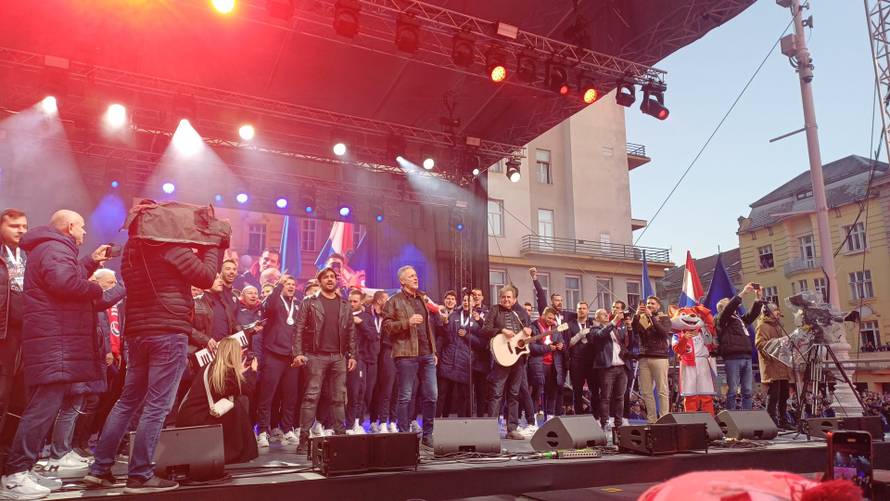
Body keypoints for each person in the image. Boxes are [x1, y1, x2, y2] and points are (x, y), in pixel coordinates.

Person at [85, 216, 224, 494]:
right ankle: (140, 475)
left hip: (137, 334)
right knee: (157, 406)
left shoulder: (132, 251)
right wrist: (212, 243)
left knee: (127, 401)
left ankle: (100, 469)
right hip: (168, 332)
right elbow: (207, 277)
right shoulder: (172, 248)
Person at [2, 210, 116, 500]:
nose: (85, 232)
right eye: (81, 227)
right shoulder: (54, 248)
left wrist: (90, 263)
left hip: (54, 341)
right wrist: (96, 287)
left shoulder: (52, 249)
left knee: (43, 407)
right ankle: (14, 475)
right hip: (54, 342)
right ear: (68, 227)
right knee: (42, 408)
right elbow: (65, 283)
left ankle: (21, 469)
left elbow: (65, 275)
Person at [47, 268, 125, 470]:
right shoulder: (79, 299)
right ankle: (59, 453)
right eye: (109, 283)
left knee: (77, 405)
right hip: (78, 358)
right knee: (69, 408)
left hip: (87, 358)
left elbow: (103, 330)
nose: (111, 287)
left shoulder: (85, 300)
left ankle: (66, 450)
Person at [293, 267, 357, 453]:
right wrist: (298, 353)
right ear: (319, 281)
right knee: (311, 397)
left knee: (338, 398)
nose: (330, 279)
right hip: (315, 356)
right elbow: (298, 328)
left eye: (333, 277)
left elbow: (351, 331)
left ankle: (340, 436)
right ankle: (304, 440)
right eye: (326, 277)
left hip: (338, 357)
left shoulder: (344, 304)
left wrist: (352, 355)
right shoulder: (309, 302)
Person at [177, 337, 259, 464]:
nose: (241, 354)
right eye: (239, 352)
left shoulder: (211, 367)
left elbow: (232, 388)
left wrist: (239, 372)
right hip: (198, 419)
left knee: (233, 405)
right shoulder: (225, 373)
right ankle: (236, 453)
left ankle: (233, 451)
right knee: (236, 407)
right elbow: (248, 389)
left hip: (190, 417)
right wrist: (253, 371)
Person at [382, 266, 438, 447]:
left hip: (427, 353)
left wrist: (433, 350)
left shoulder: (422, 298)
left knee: (432, 395)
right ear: (402, 281)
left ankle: (428, 434)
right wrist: (408, 322)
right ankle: (404, 434)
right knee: (405, 395)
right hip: (406, 354)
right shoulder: (394, 301)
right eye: (411, 276)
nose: (416, 278)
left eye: (416, 274)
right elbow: (387, 327)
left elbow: (428, 328)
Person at [256, 274, 301, 448]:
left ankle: (287, 429)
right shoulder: (275, 302)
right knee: (267, 396)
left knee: (290, 396)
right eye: (287, 283)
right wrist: (277, 286)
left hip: (291, 357)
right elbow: (266, 305)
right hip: (273, 354)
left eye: (293, 284)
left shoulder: (297, 306)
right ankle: (262, 431)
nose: (290, 286)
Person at [483, 285, 531, 440]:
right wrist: (501, 330)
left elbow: (529, 333)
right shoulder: (494, 310)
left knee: (514, 394)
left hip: (517, 358)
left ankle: (512, 428)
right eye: (503, 297)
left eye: (509, 297)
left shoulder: (521, 313)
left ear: (514, 299)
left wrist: (530, 332)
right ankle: (490, 429)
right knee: (496, 393)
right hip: (501, 358)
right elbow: (485, 330)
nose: (506, 299)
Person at [0, 208, 27, 455]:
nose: (21, 230)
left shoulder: (28, 255)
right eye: (14, 225)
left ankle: (9, 459)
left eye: (24, 226)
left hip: (26, 336)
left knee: (19, 399)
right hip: (4, 335)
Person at [716, 283, 765, 410]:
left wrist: (758, 298)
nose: (732, 301)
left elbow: (751, 315)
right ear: (723, 307)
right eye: (729, 301)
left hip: (746, 356)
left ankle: (747, 417)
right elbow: (729, 308)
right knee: (732, 390)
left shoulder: (738, 319)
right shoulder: (722, 319)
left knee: (748, 391)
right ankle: (731, 417)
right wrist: (743, 293)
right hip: (732, 358)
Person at [437, 294, 482, 418]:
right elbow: (445, 336)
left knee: (463, 397)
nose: (466, 302)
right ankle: (436, 423)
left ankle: (463, 424)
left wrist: (467, 335)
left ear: (474, 303)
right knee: (442, 394)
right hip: (448, 359)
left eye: (469, 301)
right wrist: (445, 323)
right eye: (464, 300)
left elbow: (481, 343)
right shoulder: (453, 316)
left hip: (465, 362)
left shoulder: (477, 320)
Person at [632, 296, 673, 423]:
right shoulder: (641, 318)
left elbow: (663, 332)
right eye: (648, 303)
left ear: (658, 306)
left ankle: (664, 417)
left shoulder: (664, 318)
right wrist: (636, 316)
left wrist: (652, 317)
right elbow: (634, 331)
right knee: (646, 392)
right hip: (644, 357)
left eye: (652, 303)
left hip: (659, 357)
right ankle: (652, 420)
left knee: (662, 390)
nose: (649, 305)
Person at [591, 302, 631, 430]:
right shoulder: (595, 330)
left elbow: (628, 343)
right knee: (605, 397)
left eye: (605, 314)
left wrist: (629, 328)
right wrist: (613, 321)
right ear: (597, 318)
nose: (606, 315)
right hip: (607, 368)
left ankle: (619, 423)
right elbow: (601, 334)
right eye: (602, 314)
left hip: (622, 367)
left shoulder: (615, 329)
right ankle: (605, 422)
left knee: (620, 397)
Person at [755, 303, 793, 430]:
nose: (778, 313)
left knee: (784, 395)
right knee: (774, 396)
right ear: (768, 312)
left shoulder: (778, 326)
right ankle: (771, 422)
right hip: (772, 366)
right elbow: (760, 344)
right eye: (776, 310)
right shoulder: (762, 326)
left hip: (782, 365)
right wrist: (777, 344)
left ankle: (783, 420)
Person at [527, 307, 564, 419]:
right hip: (538, 364)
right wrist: (547, 348)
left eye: (553, 319)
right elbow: (531, 347)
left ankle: (550, 418)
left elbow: (561, 340)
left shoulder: (555, 327)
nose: (551, 321)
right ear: (543, 315)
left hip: (553, 365)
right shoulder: (533, 327)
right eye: (549, 318)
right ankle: (532, 420)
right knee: (536, 392)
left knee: (552, 392)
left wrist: (561, 345)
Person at [369, 290, 397, 434]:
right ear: (380, 300)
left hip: (393, 354)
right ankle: (379, 421)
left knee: (394, 389)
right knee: (380, 390)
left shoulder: (390, 316)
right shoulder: (371, 314)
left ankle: (391, 421)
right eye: (387, 299)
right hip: (378, 355)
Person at [345, 290, 368, 434]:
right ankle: (326, 425)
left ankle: (354, 423)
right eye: (350, 301)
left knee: (357, 392)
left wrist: (361, 324)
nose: (352, 304)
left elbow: (373, 336)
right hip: (340, 358)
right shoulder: (342, 315)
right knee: (333, 394)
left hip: (358, 359)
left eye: (355, 301)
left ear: (361, 302)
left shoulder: (366, 317)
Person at [567, 302, 594, 414]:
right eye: (579, 309)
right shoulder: (570, 324)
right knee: (577, 391)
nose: (582, 310)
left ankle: (595, 415)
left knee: (594, 389)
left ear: (587, 310)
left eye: (584, 308)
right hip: (576, 361)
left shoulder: (593, 323)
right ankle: (578, 415)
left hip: (591, 361)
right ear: (576, 310)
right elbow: (568, 343)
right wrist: (580, 334)